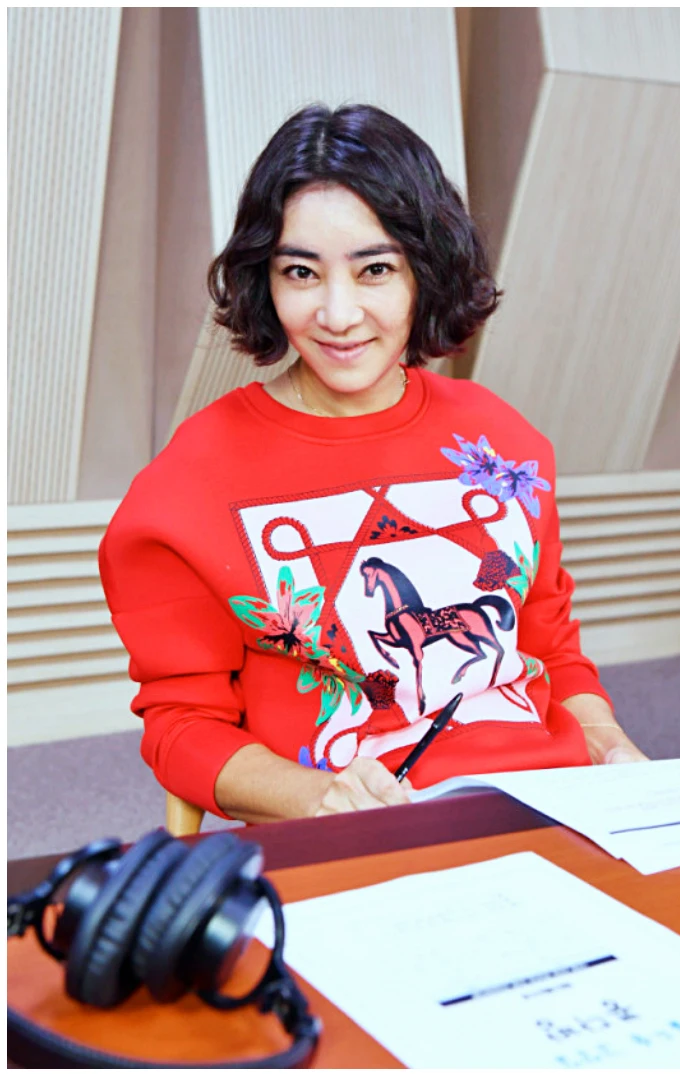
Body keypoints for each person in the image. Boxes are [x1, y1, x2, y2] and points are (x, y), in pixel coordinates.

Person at [99, 103, 647, 825]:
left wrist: (609, 747)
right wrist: (318, 798)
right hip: (356, 835)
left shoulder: (501, 442)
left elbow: (549, 647)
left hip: (547, 808)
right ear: (266, 279)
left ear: (425, 272)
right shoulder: (188, 485)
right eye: (301, 272)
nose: (338, 314)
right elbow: (183, 729)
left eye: (375, 270)